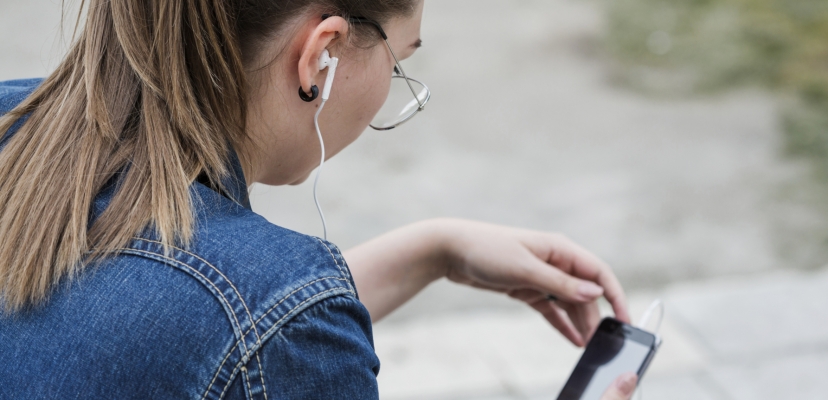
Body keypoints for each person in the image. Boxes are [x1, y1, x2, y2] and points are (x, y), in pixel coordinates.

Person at [0, 0, 638, 398]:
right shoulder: (284, 319)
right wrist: (312, 303)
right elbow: (254, 332)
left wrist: (434, 252)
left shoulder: (13, 119)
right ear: (322, 55)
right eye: (401, 59)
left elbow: (180, 336)